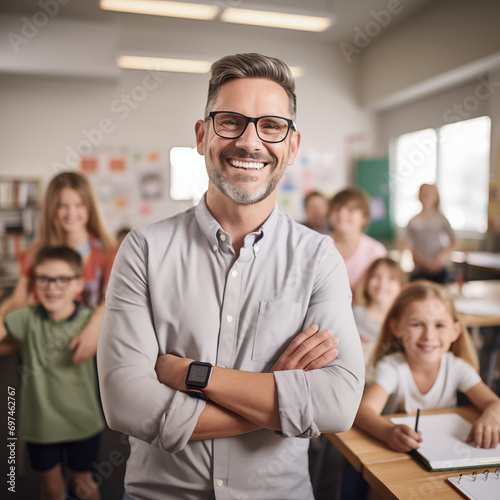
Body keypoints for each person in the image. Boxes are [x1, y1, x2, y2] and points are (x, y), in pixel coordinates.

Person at [97, 52, 365, 500]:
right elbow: (126, 402)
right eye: (231, 122)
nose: (250, 141)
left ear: (292, 146)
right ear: (202, 136)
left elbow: (337, 404)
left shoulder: (318, 257)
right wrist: (275, 398)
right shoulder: (143, 250)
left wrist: (192, 375)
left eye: (271, 126)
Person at [0, 247, 105, 500]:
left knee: (83, 484)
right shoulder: (26, 317)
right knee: (52, 490)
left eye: (62, 279)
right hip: (40, 426)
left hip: (84, 423)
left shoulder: (91, 321)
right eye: (44, 278)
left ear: (78, 283)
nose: (52, 286)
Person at [355, 280, 500, 453]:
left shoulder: (456, 368)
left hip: (442, 452)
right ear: (396, 327)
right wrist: (388, 433)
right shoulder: (392, 368)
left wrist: (492, 417)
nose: (429, 336)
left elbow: (494, 403)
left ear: (455, 331)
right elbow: (363, 411)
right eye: (417, 324)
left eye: (439, 325)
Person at [1, 171, 115, 365]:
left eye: (79, 205)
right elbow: (18, 301)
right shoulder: (36, 252)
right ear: (51, 209)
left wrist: (94, 329)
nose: (71, 213)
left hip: (89, 348)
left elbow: (111, 300)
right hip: (43, 349)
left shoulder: (107, 251)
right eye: (62, 206)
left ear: (90, 207)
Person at [328, 187, 387, 292]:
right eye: (337, 209)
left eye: (350, 210)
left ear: (364, 217)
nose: (342, 214)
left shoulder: (376, 251)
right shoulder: (319, 244)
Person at [352, 257, 406, 365]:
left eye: (391, 278)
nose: (382, 283)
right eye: (376, 276)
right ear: (367, 280)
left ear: (401, 286)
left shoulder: (403, 320)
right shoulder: (353, 313)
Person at [403, 183, 457, 283]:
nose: (427, 194)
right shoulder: (413, 221)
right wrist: (424, 262)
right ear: (419, 196)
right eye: (424, 192)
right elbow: (407, 245)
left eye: (430, 192)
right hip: (420, 269)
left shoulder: (441, 219)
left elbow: (454, 241)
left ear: (436, 197)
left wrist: (441, 258)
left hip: (440, 267)